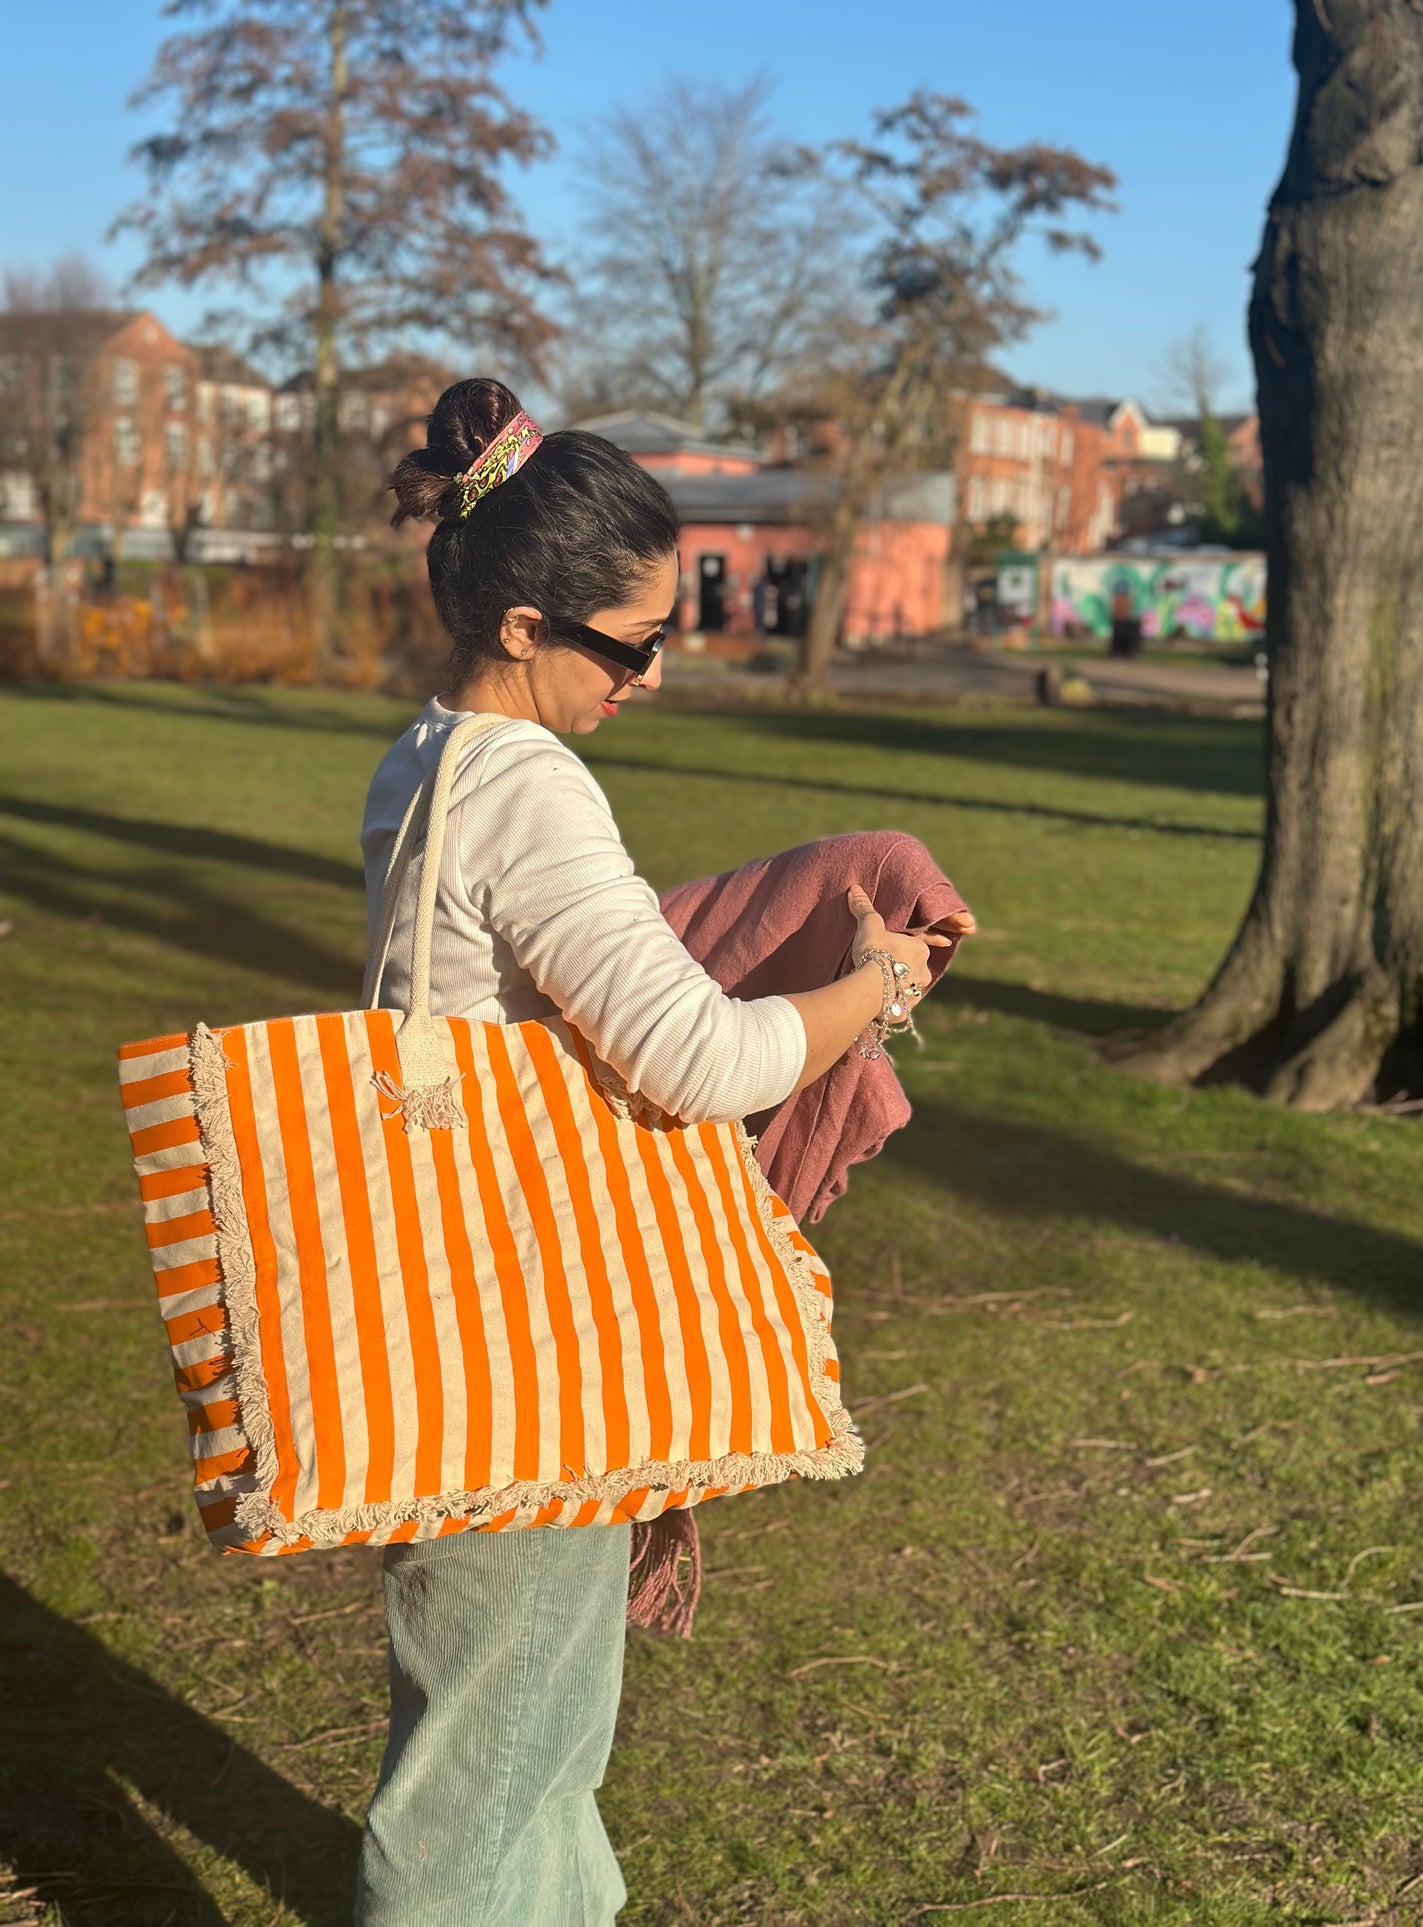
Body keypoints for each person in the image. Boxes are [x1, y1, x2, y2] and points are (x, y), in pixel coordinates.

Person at [354, 378, 960, 1927]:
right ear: (519, 627)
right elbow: (697, 1060)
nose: (653, 673)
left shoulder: (420, 757)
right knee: (497, 1748)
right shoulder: (528, 787)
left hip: (437, 1280)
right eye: (628, 643)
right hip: (521, 1318)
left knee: (509, 1716)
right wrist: (872, 989)